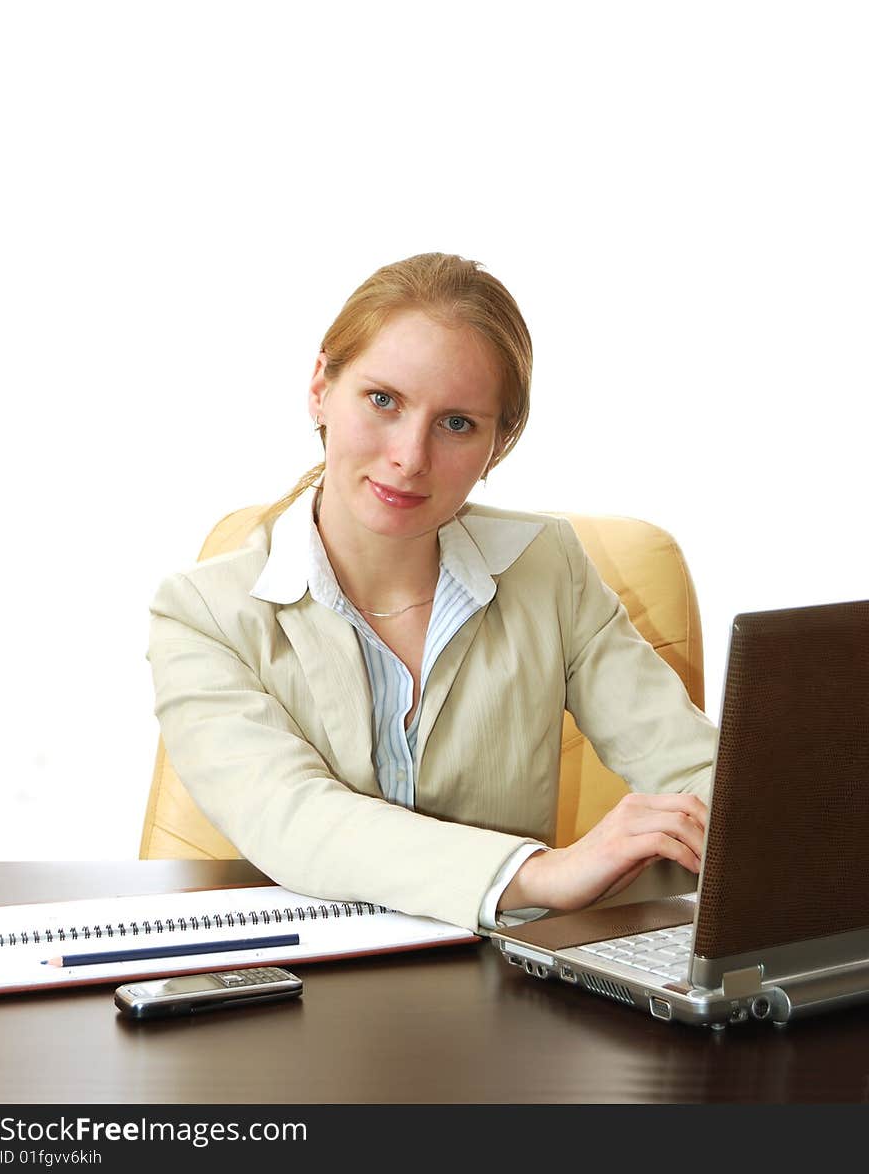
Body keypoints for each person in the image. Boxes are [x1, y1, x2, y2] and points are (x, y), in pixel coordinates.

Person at [147, 252, 717, 934]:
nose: (409, 456)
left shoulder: (549, 570)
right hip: (289, 997)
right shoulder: (200, 614)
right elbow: (293, 815)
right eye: (382, 400)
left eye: (456, 423)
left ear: (498, 444)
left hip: (502, 994)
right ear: (320, 387)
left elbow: (699, 773)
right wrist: (540, 873)